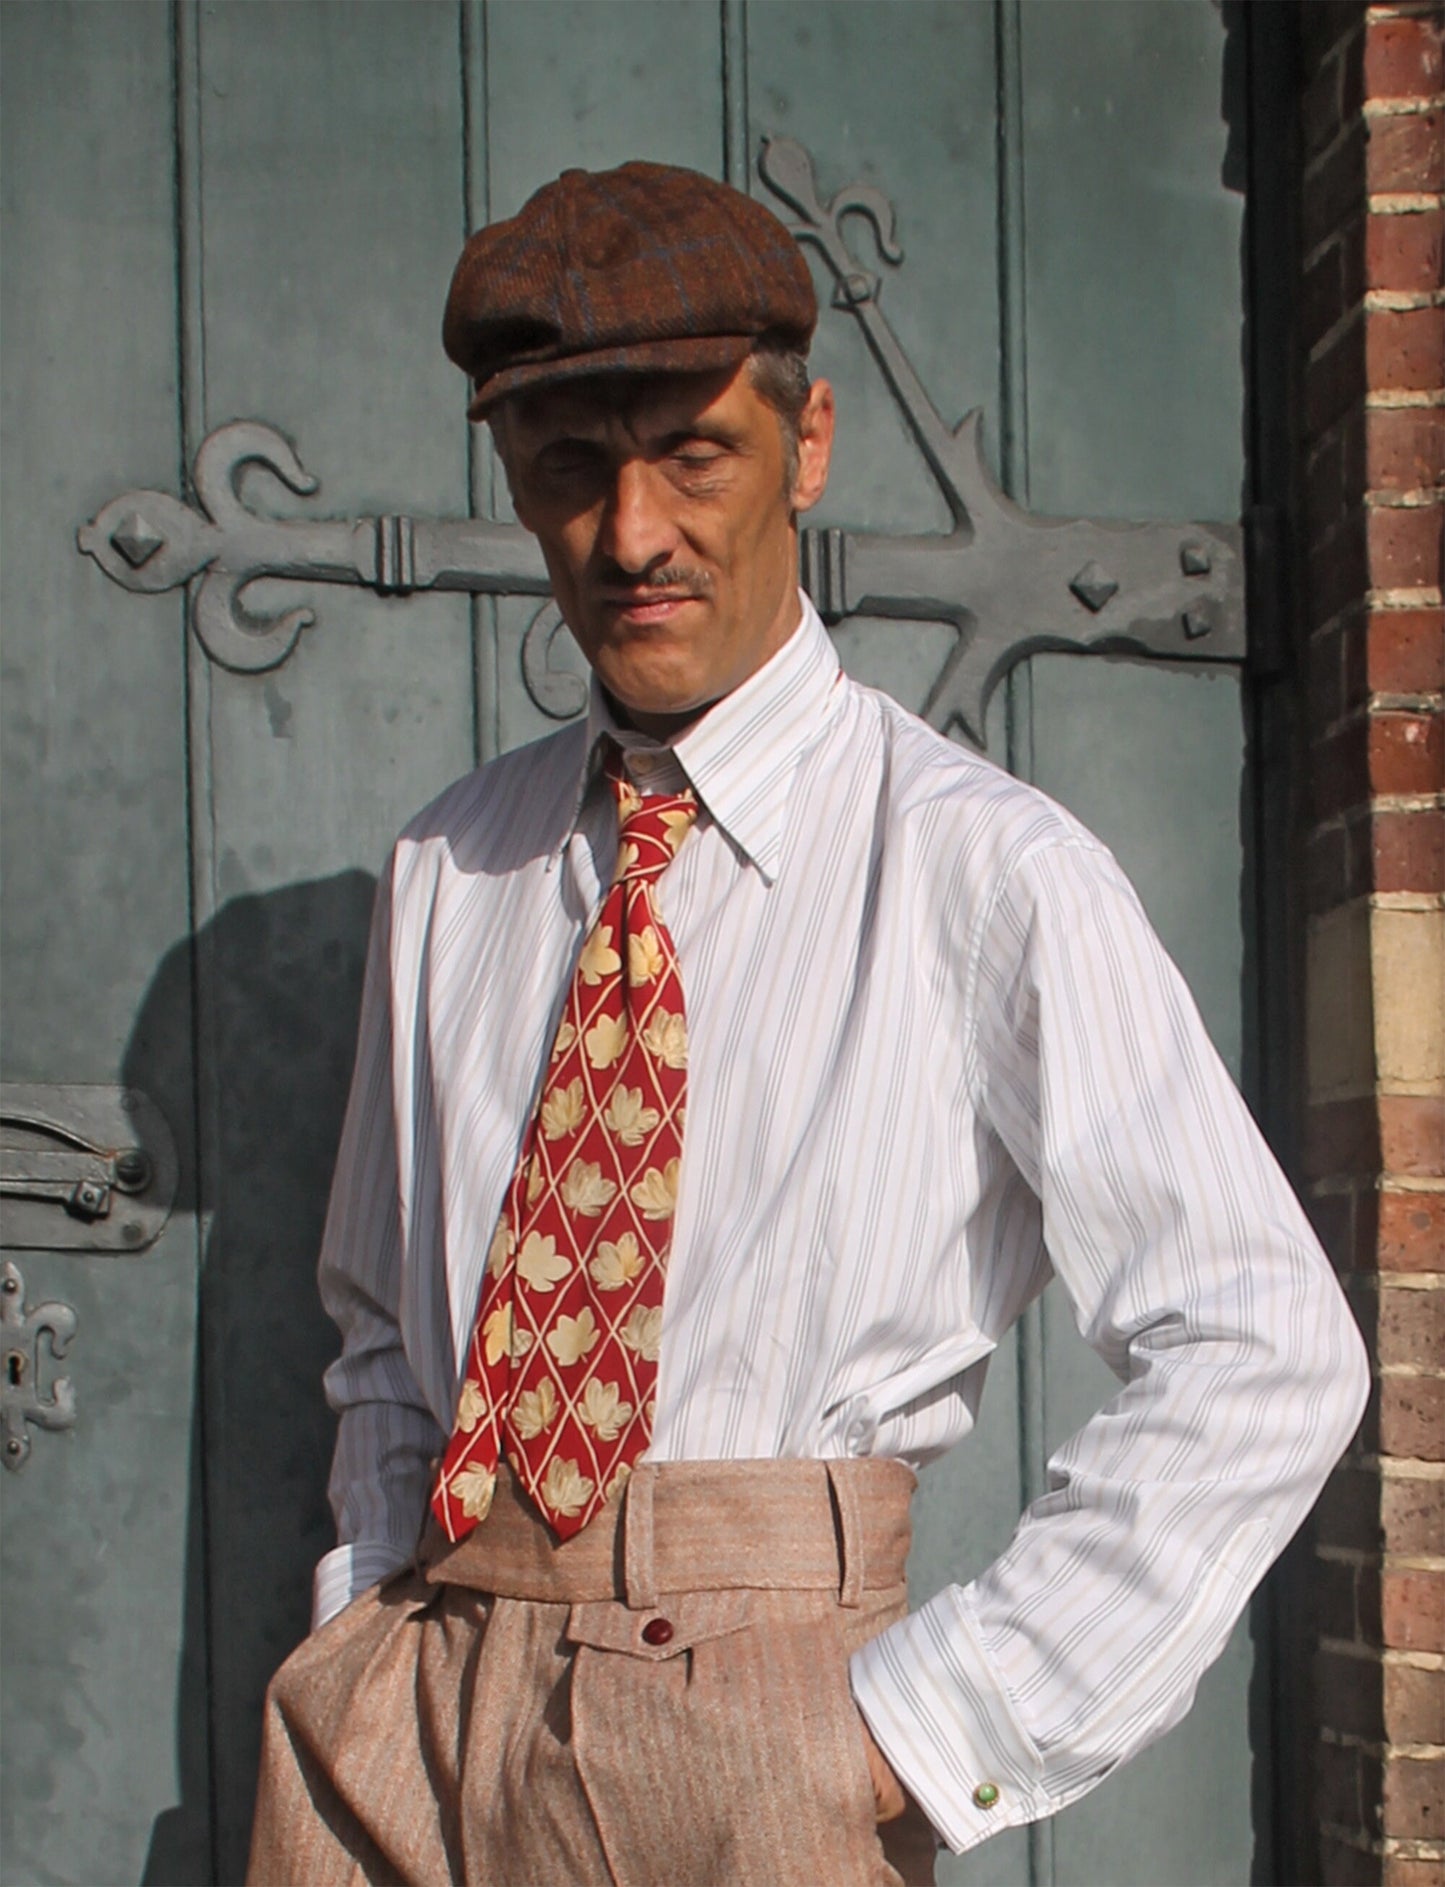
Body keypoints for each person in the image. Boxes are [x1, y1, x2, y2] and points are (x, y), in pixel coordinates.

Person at [247, 161, 1368, 1887]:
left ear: (809, 443)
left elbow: (1262, 1345)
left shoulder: (984, 874)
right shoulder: (449, 866)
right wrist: (362, 1630)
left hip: (755, 1736)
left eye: (693, 455)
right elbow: (387, 1339)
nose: (631, 537)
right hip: (402, 1719)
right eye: (568, 469)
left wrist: (916, 1734)